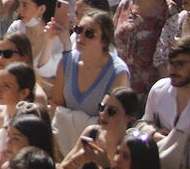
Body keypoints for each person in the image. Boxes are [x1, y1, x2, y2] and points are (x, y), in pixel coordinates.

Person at [52, 12, 131, 154]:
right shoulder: (66, 62)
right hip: (61, 144)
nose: (80, 37)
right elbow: (57, 105)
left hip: (97, 148)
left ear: (104, 41)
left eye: (89, 33)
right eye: (78, 30)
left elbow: (113, 120)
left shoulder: (118, 73)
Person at [114, 0, 181, 95]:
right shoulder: (125, 4)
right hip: (119, 82)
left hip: (151, 89)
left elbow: (174, 53)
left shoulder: (169, 11)